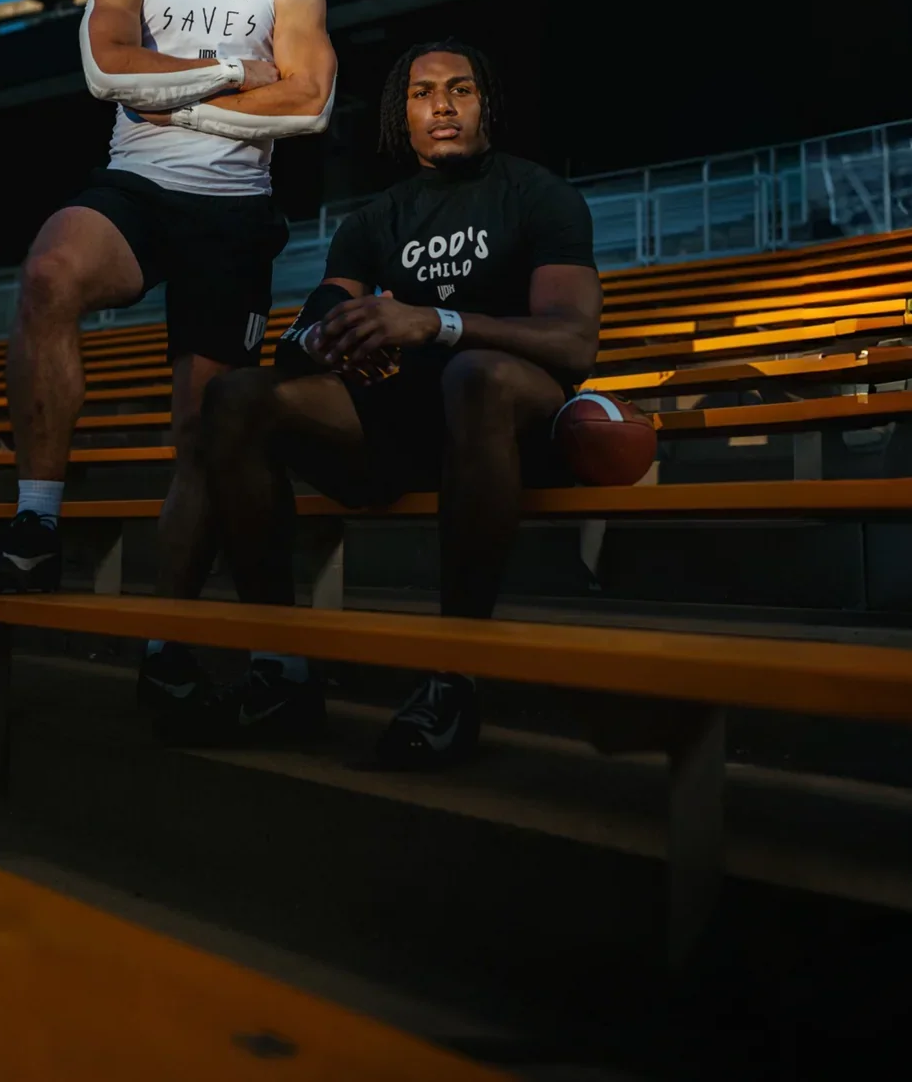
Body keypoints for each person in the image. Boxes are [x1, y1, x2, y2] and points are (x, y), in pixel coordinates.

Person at [169, 39, 601, 765]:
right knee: (238, 395)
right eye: (423, 92)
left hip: (508, 424)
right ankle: (281, 666)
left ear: (485, 105)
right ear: (401, 118)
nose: (442, 104)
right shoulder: (375, 221)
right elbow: (304, 331)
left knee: (478, 377)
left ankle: (453, 676)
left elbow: (572, 342)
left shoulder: (537, 194)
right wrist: (337, 341)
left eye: (461, 90)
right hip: (399, 426)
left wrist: (436, 322)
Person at [0, 0, 337, 622]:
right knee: (49, 272)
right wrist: (235, 71)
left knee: (201, 437)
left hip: (236, 208)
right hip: (138, 186)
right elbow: (109, 72)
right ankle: (37, 523)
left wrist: (182, 101)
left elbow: (310, 103)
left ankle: (166, 643)